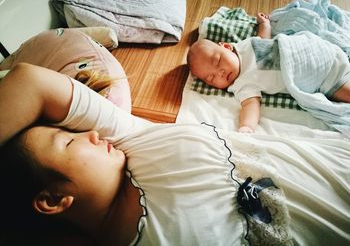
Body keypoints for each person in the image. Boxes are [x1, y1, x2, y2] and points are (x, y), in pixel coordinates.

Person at [0, 63, 349, 245]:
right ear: (53, 199)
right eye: (69, 142)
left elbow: (31, 82)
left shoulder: (134, 139)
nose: (90, 133)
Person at [187, 13, 350, 133]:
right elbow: (251, 105)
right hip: (323, 77)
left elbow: (262, 40)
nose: (220, 73)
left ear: (226, 47)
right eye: (212, 78)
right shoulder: (242, 84)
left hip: (309, 48)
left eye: (218, 62)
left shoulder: (244, 45)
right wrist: (247, 127)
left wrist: (264, 24)